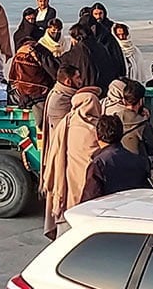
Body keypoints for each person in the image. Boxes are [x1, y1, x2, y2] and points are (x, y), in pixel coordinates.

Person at [41, 87, 103, 240]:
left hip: (66, 187)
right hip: (89, 189)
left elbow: (54, 155)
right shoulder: (96, 129)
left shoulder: (66, 123)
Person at [81, 115, 150, 202]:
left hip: (107, 212)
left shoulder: (98, 164)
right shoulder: (139, 161)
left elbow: (89, 200)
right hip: (132, 211)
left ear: (97, 136)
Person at [115, 80, 153, 177]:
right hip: (139, 171)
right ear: (141, 101)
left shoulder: (114, 119)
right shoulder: (144, 125)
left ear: (124, 100)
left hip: (116, 167)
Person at [8, 37, 58, 127]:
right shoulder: (40, 50)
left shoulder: (18, 54)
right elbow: (54, 71)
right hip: (40, 93)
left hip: (21, 95)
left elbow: (12, 78)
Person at [43, 65, 83, 138]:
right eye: (77, 78)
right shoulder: (60, 100)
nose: (81, 81)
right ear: (68, 81)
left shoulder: (61, 93)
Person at [60, 23, 102, 89]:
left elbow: (58, 63)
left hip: (87, 90)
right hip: (103, 88)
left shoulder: (79, 51)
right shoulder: (100, 46)